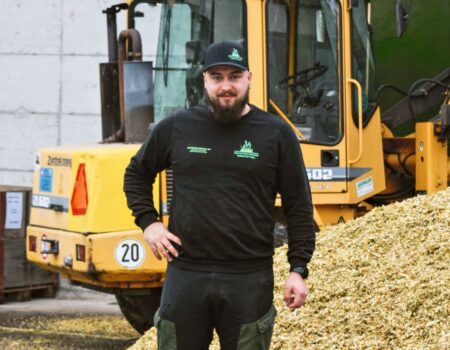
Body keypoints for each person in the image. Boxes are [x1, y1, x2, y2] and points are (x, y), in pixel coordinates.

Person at [124, 40, 315, 350]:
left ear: (249, 78)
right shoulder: (178, 127)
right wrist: (149, 223)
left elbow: (299, 207)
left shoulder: (276, 134)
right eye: (217, 77)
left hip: (249, 278)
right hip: (186, 274)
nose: (226, 85)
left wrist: (298, 269)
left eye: (234, 76)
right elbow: (136, 174)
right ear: (205, 81)